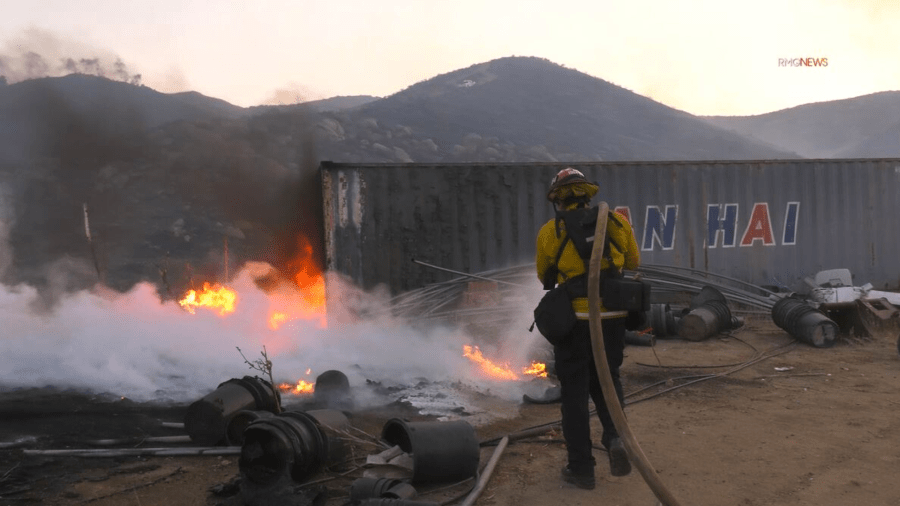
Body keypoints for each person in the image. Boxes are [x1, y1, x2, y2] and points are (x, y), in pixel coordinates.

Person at [534, 167, 641, 490]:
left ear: (559, 200)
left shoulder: (551, 231)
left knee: (575, 396)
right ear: (586, 195)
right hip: (611, 319)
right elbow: (633, 262)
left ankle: (581, 469)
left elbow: (545, 277)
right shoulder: (616, 221)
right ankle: (614, 437)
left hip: (575, 324)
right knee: (608, 380)